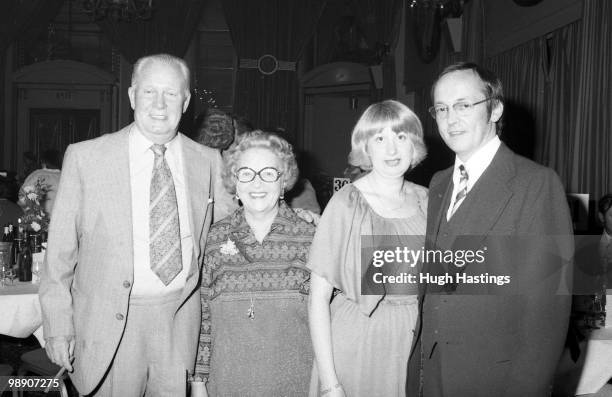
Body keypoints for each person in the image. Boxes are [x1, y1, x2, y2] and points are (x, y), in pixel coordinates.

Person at [39, 53, 233, 396]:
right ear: (132, 96)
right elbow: (58, 257)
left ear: (186, 101)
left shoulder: (208, 161)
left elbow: (231, 235)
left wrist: (288, 218)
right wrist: (57, 326)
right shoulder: (86, 158)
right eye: (149, 92)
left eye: (171, 94)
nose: (159, 104)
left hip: (180, 323)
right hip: (109, 325)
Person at [412, 62, 573, 396]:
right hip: (431, 374)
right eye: (441, 108)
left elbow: (546, 313)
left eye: (463, 105)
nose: (450, 119)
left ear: (495, 109)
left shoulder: (536, 184)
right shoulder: (439, 183)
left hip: (492, 380)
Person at [308, 100, 428, 397]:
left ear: (414, 145)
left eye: (401, 137)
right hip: (360, 344)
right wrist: (329, 383)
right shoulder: (347, 203)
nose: (391, 149)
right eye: (379, 138)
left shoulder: (430, 200)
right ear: (366, 148)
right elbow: (318, 300)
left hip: (416, 343)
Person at [194, 130, 315, 396]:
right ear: (234, 182)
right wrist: (199, 383)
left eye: (269, 173)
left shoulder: (311, 238)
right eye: (246, 173)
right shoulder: (214, 237)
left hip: (296, 383)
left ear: (284, 181)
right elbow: (203, 318)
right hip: (227, 382)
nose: (257, 184)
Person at [19, 149, 62, 216]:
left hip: (41, 221)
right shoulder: (65, 176)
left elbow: (23, 196)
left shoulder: (37, 174)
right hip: (62, 220)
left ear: (43, 162)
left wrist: (33, 215)